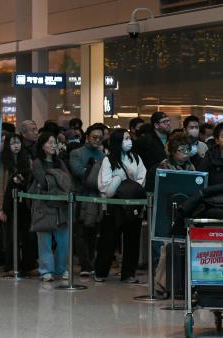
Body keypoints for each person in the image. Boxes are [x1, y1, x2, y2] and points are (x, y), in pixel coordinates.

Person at [94, 129, 147, 283]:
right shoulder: (108, 160)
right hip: (113, 206)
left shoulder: (136, 158)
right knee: (108, 240)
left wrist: (131, 188)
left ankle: (129, 273)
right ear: (118, 141)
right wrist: (119, 182)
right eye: (125, 138)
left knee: (132, 241)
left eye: (129, 138)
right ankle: (101, 271)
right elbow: (105, 185)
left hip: (133, 206)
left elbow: (141, 178)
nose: (128, 141)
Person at [30, 132, 73, 282]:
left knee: (63, 241)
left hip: (60, 207)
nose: (53, 145)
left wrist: (52, 176)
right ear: (42, 145)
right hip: (43, 206)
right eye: (49, 142)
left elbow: (67, 182)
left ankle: (61, 270)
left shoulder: (60, 162)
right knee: (45, 242)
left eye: (54, 142)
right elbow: (43, 183)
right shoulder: (37, 163)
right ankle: (46, 270)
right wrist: (57, 178)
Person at [68, 123, 107, 276]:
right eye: (94, 137)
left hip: (97, 197)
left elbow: (104, 178)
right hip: (81, 196)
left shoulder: (103, 156)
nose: (97, 140)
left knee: (94, 231)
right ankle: (85, 265)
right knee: (81, 231)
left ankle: (90, 261)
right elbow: (79, 173)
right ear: (87, 138)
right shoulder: (77, 153)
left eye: (100, 138)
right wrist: (94, 174)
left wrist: (90, 172)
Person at [0, 133, 35, 277]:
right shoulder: (2, 162)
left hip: (25, 203)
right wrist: (1, 208)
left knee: (27, 235)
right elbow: (1, 185)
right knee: (10, 236)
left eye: (18, 143)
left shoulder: (27, 160)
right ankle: (11, 264)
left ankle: (28, 264)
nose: (16, 146)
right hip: (9, 203)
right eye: (12, 143)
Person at [134, 112, 170, 191]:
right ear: (156, 125)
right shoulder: (145, 141)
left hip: (168, 179)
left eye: (168, 121)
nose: (168, 123)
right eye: (164, 122)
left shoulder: (172, 139)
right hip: (151, 180)